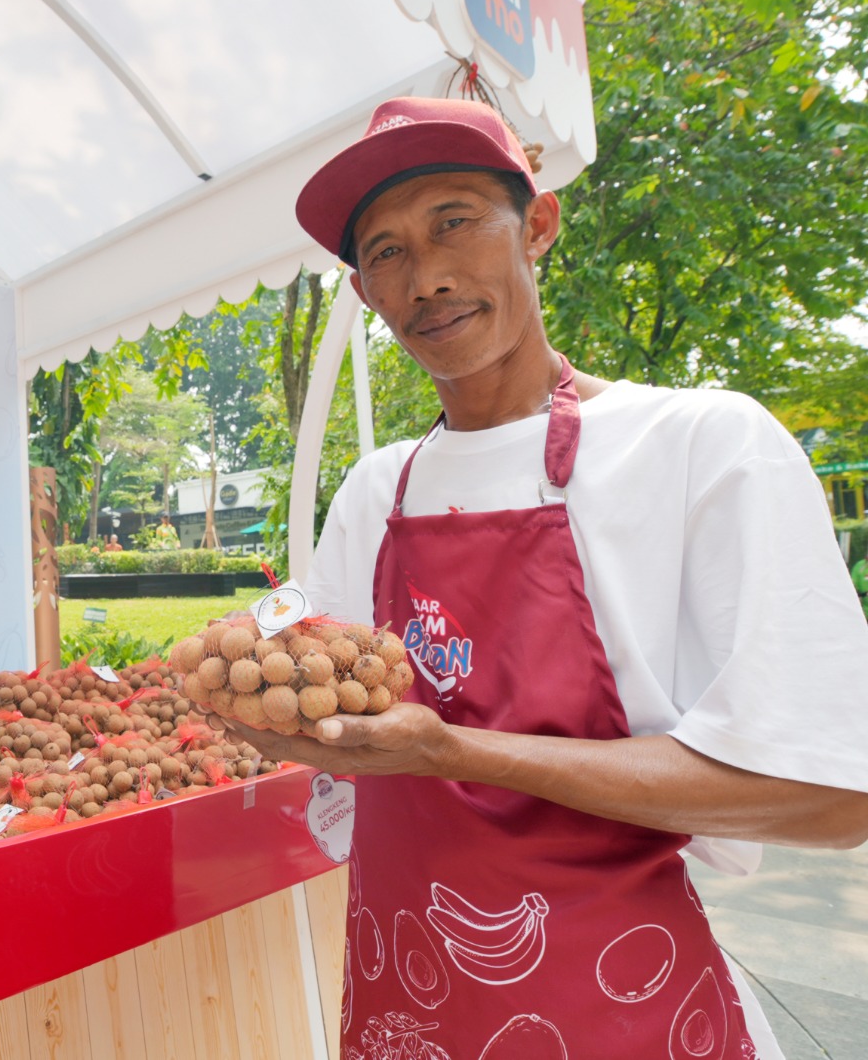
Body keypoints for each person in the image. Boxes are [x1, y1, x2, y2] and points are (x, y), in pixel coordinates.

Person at [221, 96, 868, 1060]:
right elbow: (348, 731)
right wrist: (277, 712)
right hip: (409, 993)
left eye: (454, 221)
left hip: (622, 996)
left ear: (539, 224)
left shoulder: (701, 446)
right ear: (364, 291)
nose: (427, 277)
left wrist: (455, 752)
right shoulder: (374, 491)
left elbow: (831, 798)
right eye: (387, 252)